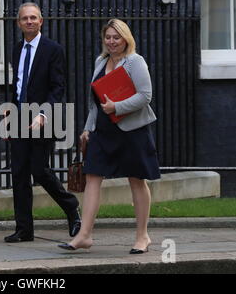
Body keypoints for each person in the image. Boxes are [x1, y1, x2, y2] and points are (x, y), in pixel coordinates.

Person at [58, 18, 160, 253]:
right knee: (92, 178)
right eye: (108, 37)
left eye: (117, 37)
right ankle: (84, 235)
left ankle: (142, 236)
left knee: (136, 179)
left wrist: (118, 107)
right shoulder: (100, 61)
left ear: (126, 39)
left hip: (131, 130)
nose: (112, 41)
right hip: (103, 129)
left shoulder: (135, 62)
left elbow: (146, 96)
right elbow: (95, 102)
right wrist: (87, 128)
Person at [4, 2, 81, 243]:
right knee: (18, 173)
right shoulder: (17, 49)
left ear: (41, 21)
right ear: (19, 23)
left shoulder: (53, 50)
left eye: (33, 18)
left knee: (39, 170)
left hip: (42, 118)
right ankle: (24, 229)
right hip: (18, 117)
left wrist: (43, 115)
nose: (29, 21)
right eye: (25, 18)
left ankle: (71, 207)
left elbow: (58, 87)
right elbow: (18, 85)